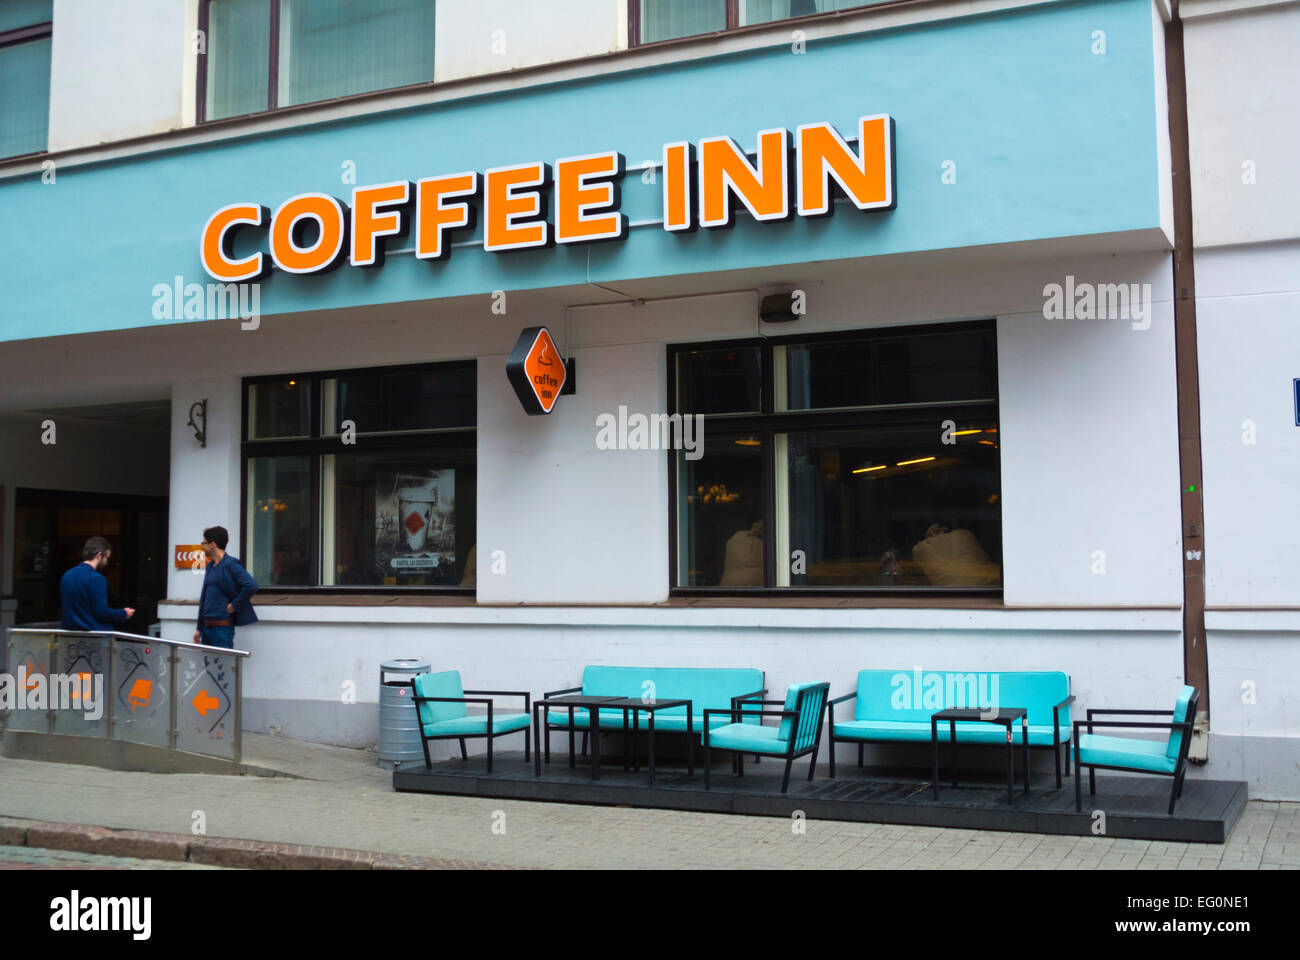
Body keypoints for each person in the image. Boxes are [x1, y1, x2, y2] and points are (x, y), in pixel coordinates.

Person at [192, 526, 259, 649]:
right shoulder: (210, 566)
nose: (202, 546)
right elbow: (204, 597)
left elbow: (251, 585)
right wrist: (199, 628)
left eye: (203, 543)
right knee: (209, 667)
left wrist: (234, 605)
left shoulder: (230, 564)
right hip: (206, 628)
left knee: (223, 666)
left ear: (212, 544)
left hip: (222, 629)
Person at [60, 536, 135, 632]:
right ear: (99, 555)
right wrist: (123, 613)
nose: (107, 562)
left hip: (69, 637)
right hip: (94, 637)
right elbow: (101, 612)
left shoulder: (67, 575)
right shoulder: (97, 578)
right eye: (107, 558)